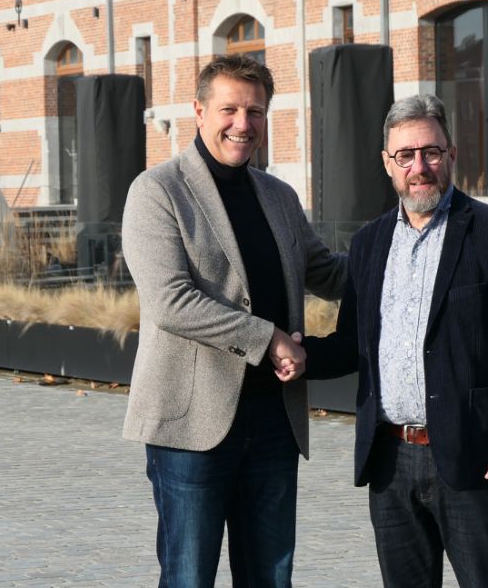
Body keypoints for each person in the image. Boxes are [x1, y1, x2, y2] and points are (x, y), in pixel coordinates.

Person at [303, 94, 488, 588]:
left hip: (472, 459)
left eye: (431, 152)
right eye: (406, 155)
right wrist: (289, 351)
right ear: (387, 163)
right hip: (389, 462)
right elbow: (352, 343)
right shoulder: (369, 243)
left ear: (451, 154)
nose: (419, 167)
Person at [121, 54, 346, 587]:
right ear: (199, 111)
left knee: (270, 578)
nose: (243, 124)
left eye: (255, 111)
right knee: (189, 578)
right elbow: (170, 301)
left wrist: (403, 245)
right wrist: (267, 338)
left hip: (273, 421)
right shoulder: (157, 191)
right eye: (230, 109)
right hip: (191, 426)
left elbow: (327, 272)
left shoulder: (279, 196)